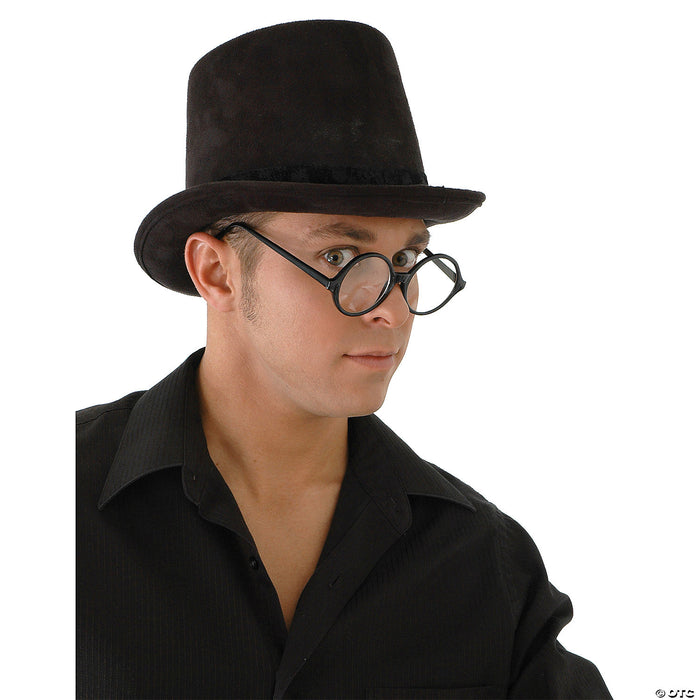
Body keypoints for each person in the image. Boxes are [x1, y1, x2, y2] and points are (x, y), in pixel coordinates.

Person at [76, 20, 612, 699]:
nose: (391, 307)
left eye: (406, 259)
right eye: (339, 256)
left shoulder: (482, 562)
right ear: (216, 271)